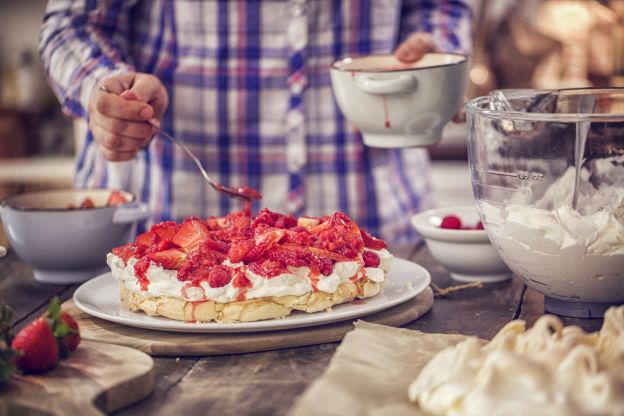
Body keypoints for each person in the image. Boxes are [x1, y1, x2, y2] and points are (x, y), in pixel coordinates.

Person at [40, 1, 471, 244]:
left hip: (376, 228)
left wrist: (439, 56)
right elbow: (71, 23)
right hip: (165, 233)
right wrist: (105, 87)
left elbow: (440, 7)